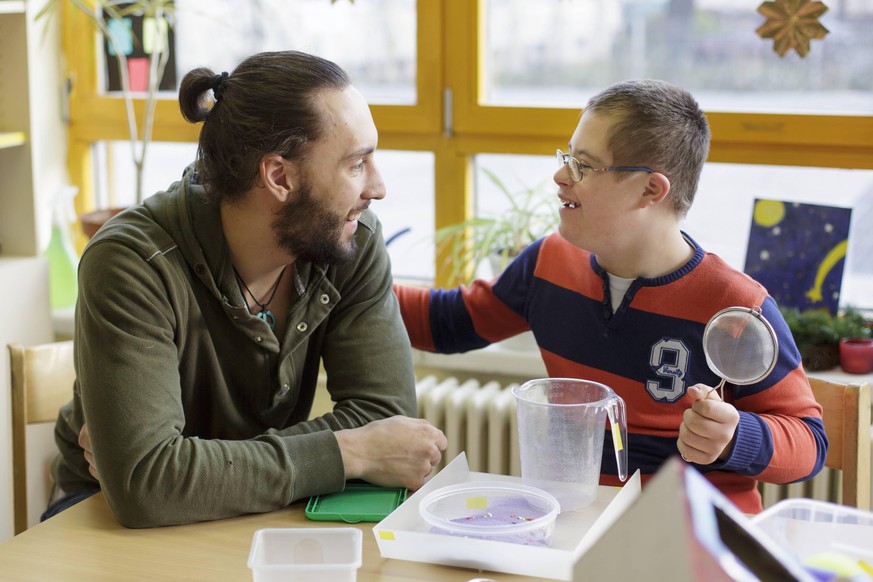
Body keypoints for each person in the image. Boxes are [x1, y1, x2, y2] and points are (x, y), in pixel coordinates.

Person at [48, 50, 447, 528]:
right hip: (98, 522)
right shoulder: (133, 263)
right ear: (279, 176)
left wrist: (183, 470)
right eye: (356, 165)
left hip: (253, 514)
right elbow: (145, 489)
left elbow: (386, 417)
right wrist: (351, 450)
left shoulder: (350, 242)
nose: (378, 187)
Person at [395, 79, 827, 514]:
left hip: (694, 542)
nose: (560, 176)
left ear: (650, 190)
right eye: (568, 157)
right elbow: (447, 324)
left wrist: (736, 436)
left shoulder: (737, 306)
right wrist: (347, 276)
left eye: (583, 165)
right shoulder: (547, 263)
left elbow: (810, 442)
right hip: (580, 525)